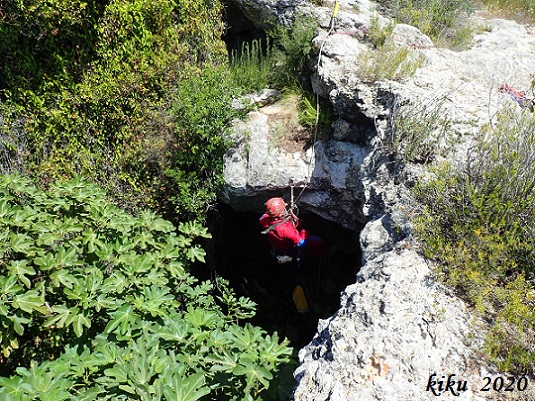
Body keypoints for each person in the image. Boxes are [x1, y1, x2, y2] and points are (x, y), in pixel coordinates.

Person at [259, 197, 324, 265]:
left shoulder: (263, 220)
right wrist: (304, 230)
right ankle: (321, 254)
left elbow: (267, 214)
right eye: (284, 209)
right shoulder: (286, 230)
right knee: (317, 241)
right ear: (281, 214)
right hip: (290, 248)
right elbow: (301, 243)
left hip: (278, 245)